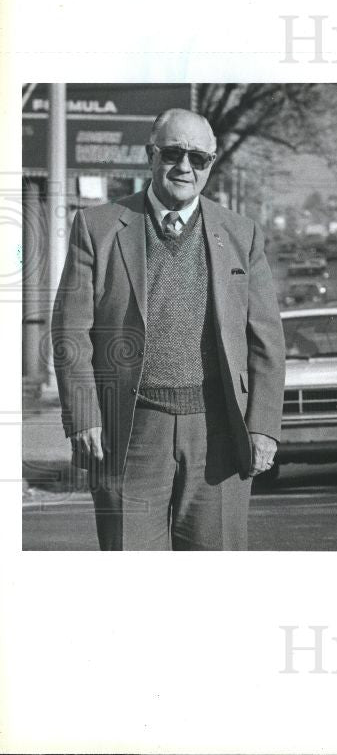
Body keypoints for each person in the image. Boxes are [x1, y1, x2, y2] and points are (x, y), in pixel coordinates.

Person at [51, 109, 285, 550]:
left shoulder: (241, 234)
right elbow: (70, 331)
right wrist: (83, 416)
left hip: (219, 431)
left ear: (211, 164)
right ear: (150, 155)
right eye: (173, 153)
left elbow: (266, 341)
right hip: (131, 430)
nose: (185, 167)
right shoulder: (97, 227)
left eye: (199, 158)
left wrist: (264, 428)